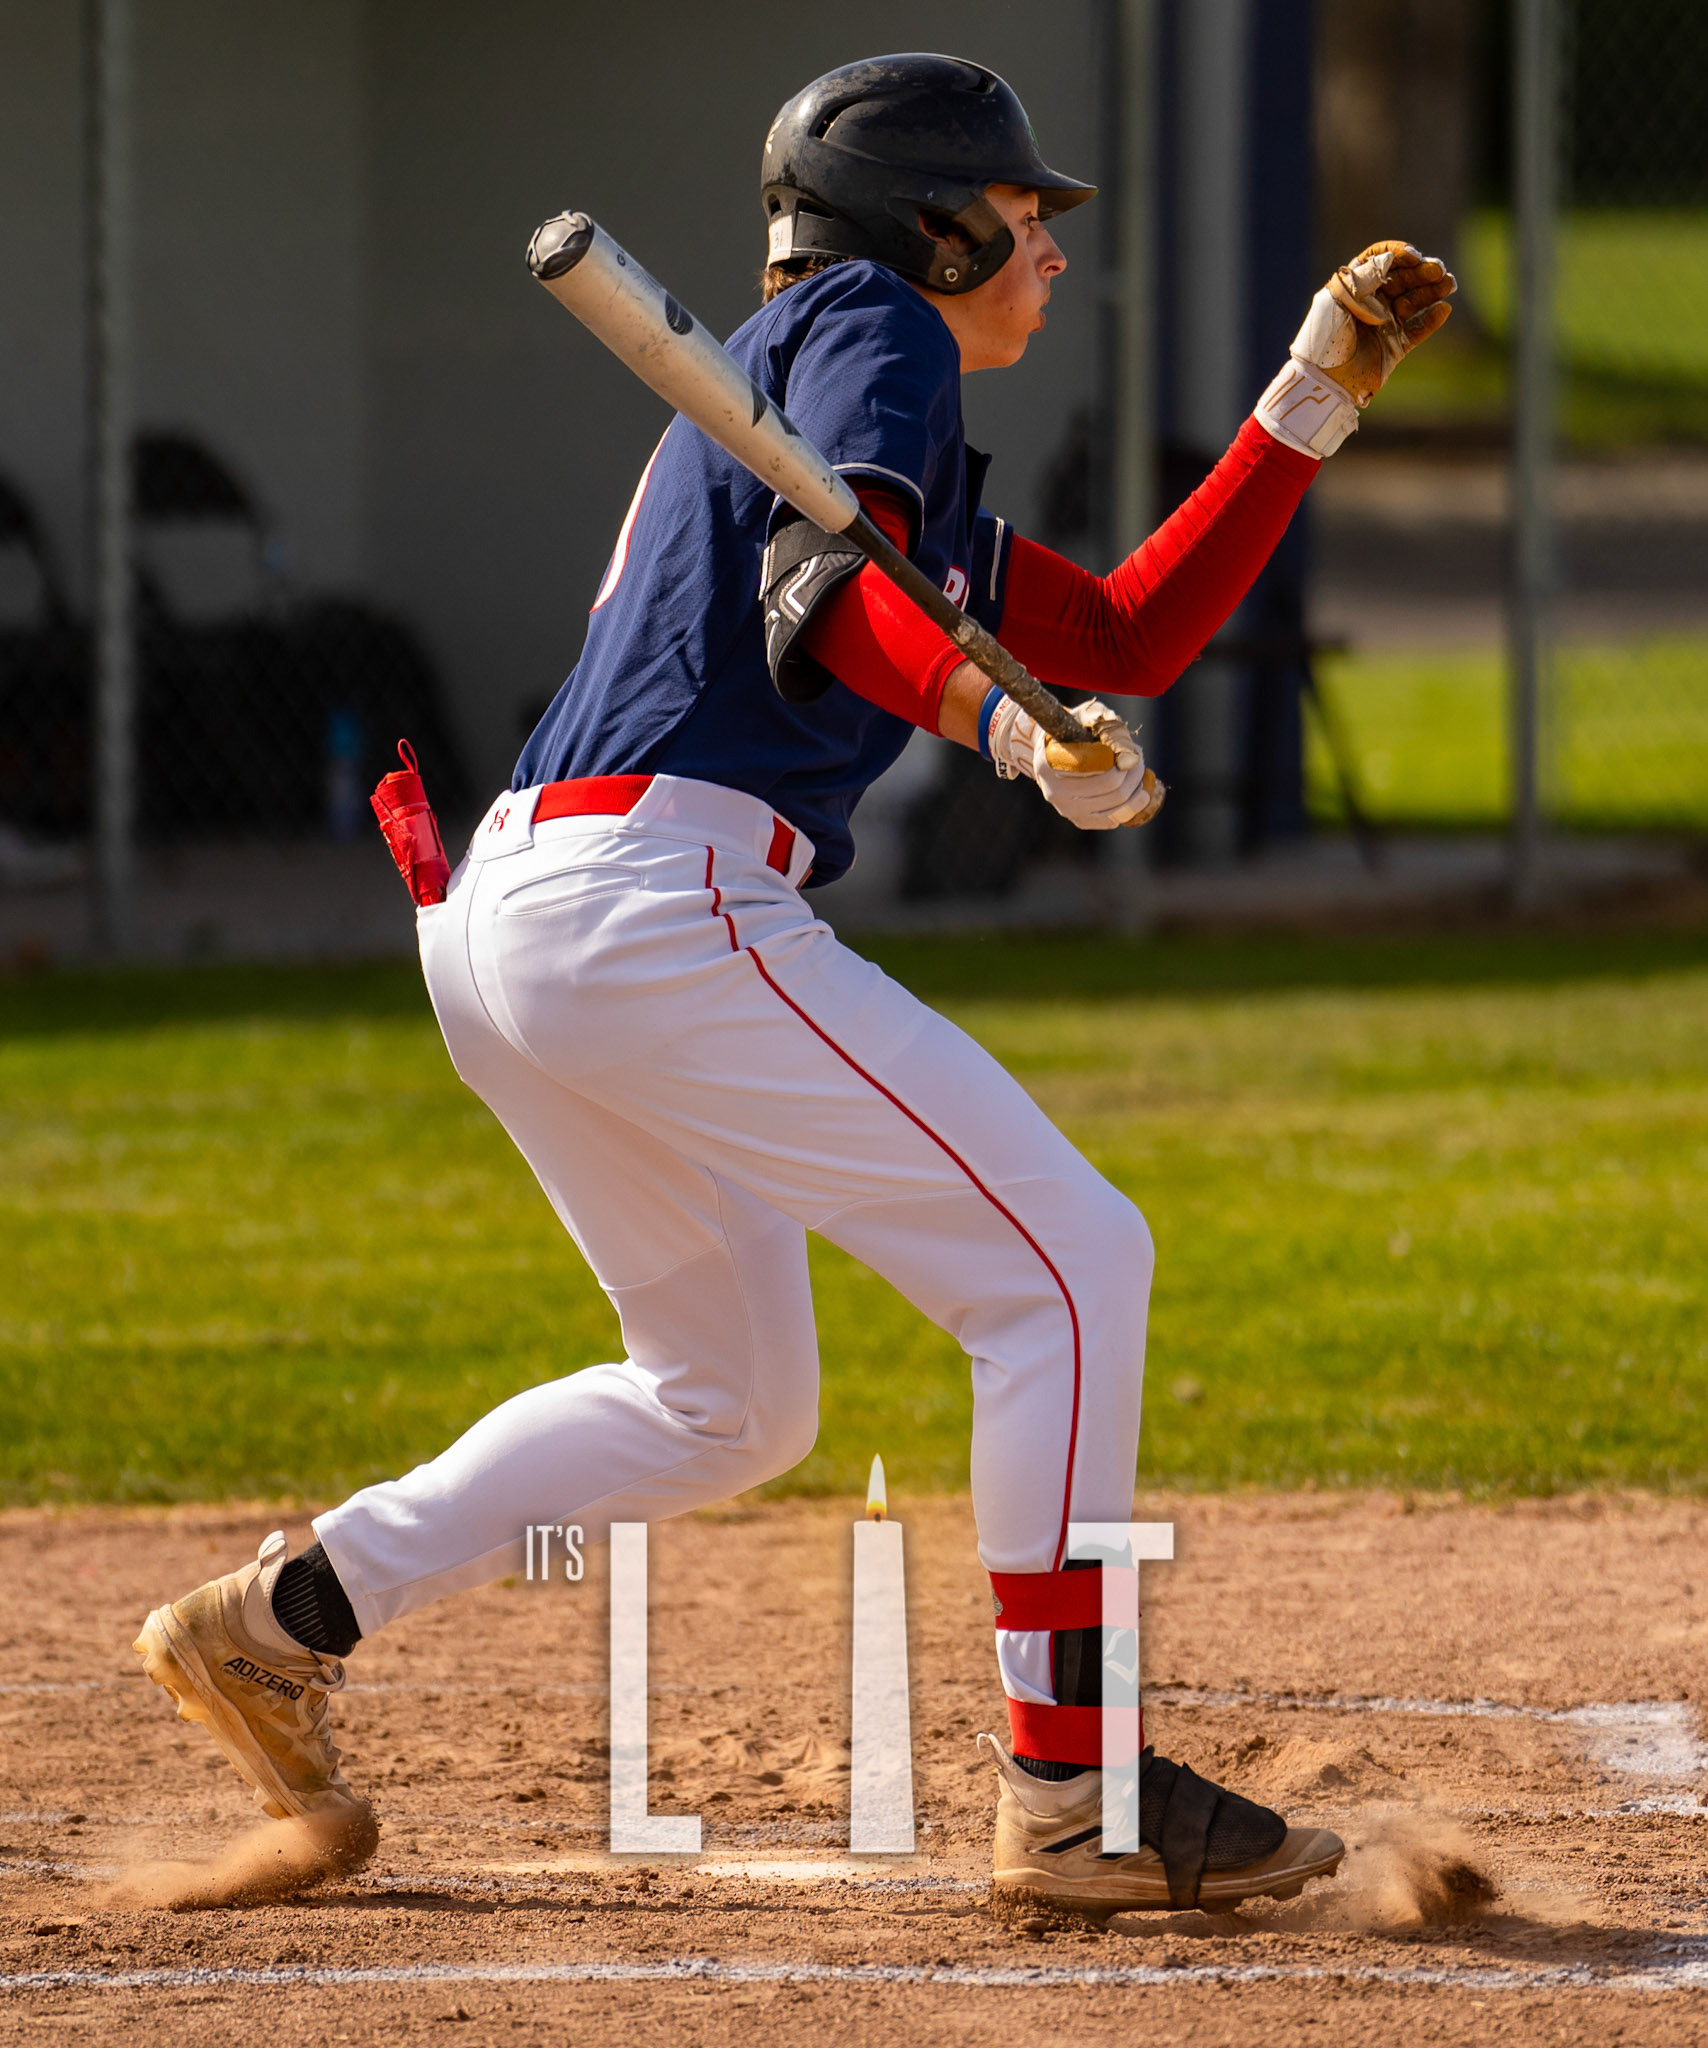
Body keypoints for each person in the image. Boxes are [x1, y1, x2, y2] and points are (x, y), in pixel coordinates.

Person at [134, 53, 1453, 1913]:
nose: (1049, 253)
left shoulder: (853, 431)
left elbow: (1126, 629)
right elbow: (823, 603)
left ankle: (288, 1617)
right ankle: (1071, 1791)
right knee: (1071, 1267)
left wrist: (1312, 391)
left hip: (522, 909)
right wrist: (1006, 729)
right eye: (1022, 217)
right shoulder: (869, 327)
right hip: (649, 897)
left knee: (728, 1405)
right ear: (932, 230)